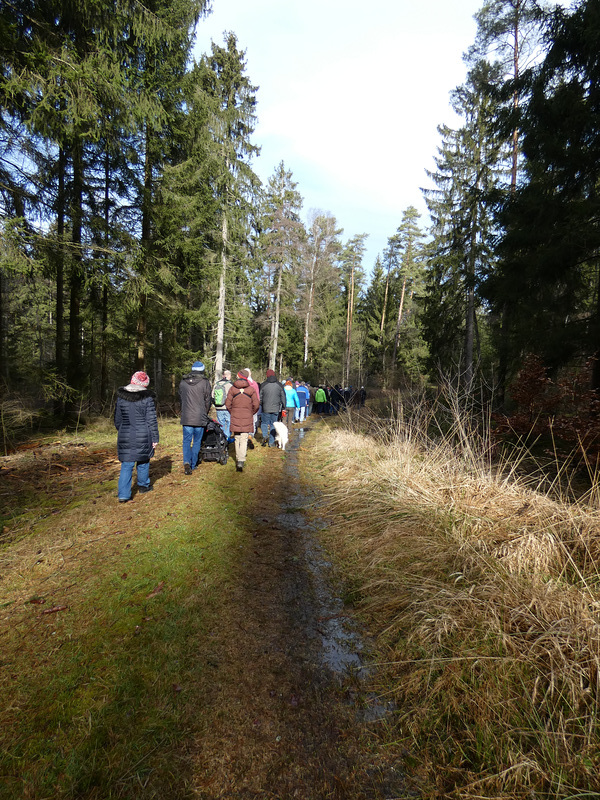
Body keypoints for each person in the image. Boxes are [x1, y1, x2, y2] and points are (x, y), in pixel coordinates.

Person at [114, 370, 159, 503]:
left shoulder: (121, 397)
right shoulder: (147, 398)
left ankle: (123, 494)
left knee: (126, 465)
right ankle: (144, 486)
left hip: (125, 433)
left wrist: (122, 429)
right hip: (144, 433)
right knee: (143, 460)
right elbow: (152, 420)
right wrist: (155, 438)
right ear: (145, 384)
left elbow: (117, 419)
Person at [179, 361, 211, 474]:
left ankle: (186, 462)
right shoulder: (205, 382)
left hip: (187, 417)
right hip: (199, 416)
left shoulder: (183, 382)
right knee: (197, 441)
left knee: (186, 441)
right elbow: (208, 400)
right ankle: (193, 464)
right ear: (202, 370)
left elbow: (181, 398)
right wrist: (205, 413)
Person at [226, 369, 259, 472]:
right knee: (244, 438)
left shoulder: (232, 389)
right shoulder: (251, 389)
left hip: (235, 415)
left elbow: (227, 404)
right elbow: (256, 404)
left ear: (238, 376)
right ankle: (241, 460)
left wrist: (233, 412)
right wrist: (251, 412)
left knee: (237, 438)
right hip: (247, 416)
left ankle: (238, 458)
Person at [259, 369, 286, 447]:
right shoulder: (279, 385)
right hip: (276, 408)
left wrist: (261, 404)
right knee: (273, 424)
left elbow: (260, 397)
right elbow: (283, 397)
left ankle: (264, 435)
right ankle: (271, 442)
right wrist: (283, 406)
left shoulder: (263, 385)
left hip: (265, 408)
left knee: (264, 423)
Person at [213, 369, 233, 441]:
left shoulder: (217, 384)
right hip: (227, 408)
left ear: (223, 376)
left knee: (221, 424)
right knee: (229, 423)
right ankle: (227, 438)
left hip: (218, 407)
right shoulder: (230, 385)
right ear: (229, 376)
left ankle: (221, 438)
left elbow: (212, 396)